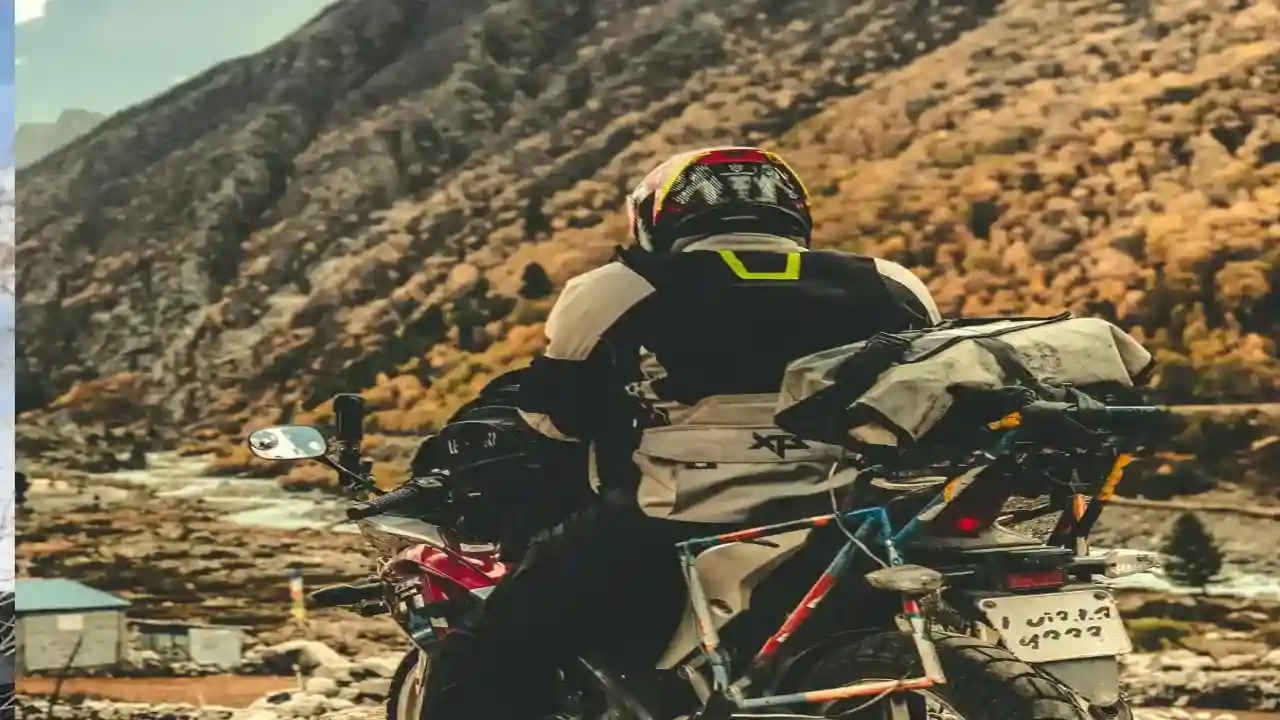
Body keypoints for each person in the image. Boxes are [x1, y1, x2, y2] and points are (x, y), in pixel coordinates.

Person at [420, 146, 942, 720]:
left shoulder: (617, 287)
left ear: (655, 217)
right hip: (852, 517)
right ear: (795, 210)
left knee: (492, 645)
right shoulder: (891, 284)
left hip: (673, 521)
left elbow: (554, 420)